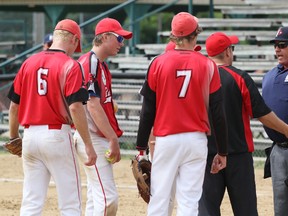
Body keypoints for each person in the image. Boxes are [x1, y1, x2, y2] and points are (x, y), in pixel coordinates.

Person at [135, 12, 228, 216]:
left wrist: (141, 145)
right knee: (189, 201)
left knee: (159, 198)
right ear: (195, 35)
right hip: (196, 139)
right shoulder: (208, 65)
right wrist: (222, 151)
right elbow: (218, 112)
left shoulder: (157, 63)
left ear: (173, 36)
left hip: (166, 139)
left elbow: (148, 109)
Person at [7, 19, 97, 215]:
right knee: (70, 203)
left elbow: (14, 106)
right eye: (76, 44)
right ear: (73, 39)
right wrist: (88, 145)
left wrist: (14, 136)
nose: (75, 49)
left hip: (29, 136)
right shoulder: (70, 65)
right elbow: (75, 108)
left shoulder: (28, 63)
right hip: (57, 136)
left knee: (31, 202)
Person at [199, 31, 288, 216]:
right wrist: (286, 129)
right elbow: (262, 113)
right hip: (238, 155)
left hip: (206, 154)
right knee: (245, 210)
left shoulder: (198, 78)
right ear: (227, 52)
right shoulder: (239, 77)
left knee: (207, 210)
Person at [73, 17, 132, 216]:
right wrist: (113, 137)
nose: (122, 44)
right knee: (108, 200)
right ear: (105, 36)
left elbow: (97, 101)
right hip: (91, 136)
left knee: (95, 198)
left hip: (94, 136)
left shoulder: (100, 65)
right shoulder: (90, 62)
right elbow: (92, 104)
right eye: (119, 39)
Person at [262, 26, 288, 216]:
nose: (277, 49)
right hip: (278, 148)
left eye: (282, 45)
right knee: (280, 204)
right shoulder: (269, 75)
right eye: (276, 45)